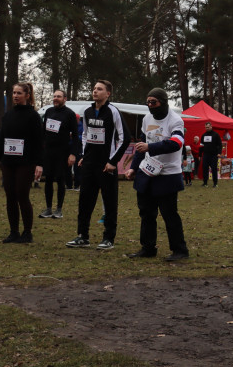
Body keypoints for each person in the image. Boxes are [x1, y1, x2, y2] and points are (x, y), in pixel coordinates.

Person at [125, 88, 189, 261]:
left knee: (169, 214)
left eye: (154, 102)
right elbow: (141, 144)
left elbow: (176, 143)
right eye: (148, 102)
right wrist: (133, 167)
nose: (150, 106)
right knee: (146, 212)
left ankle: (180, 250)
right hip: (147, 171)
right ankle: (148, 248)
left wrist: (150, 148)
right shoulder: (147, 119)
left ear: (163, 102)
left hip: (168, 173)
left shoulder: (176, 120)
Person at [66, 80, 130, 250]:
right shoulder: (87, 111)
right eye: (94, 88)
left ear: (108, 93)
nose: (95, 91)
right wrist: (84, 155)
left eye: (99, 89)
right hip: (89, 163)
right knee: (85, 200)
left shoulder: (113, 112)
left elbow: (125, 138)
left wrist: (112, 162)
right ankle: (82, 236)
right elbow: (85, 134)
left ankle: (108, 238)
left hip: (106, 165)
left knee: (109, 202)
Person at [0, 83, 43, 243]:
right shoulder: (8, 116)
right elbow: (2, 140)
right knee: (10, 196)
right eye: (14, 93)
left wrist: (39, 163)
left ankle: (27, 233)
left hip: (25, 162)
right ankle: (13, 232)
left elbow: (39, 141)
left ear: (27, 95)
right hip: (8, 161)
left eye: (19, 93)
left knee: (22, 195)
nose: (16, 95)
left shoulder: (33, 116)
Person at [39, 89, 80, 220]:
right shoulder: (49, 111)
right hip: (48, 152)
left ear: (65, 99)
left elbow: (75, 136)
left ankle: (59, 209)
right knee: (48, 180)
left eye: (59, 96)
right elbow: (43, 132)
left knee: (60, 180)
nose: (56, 98)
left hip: (63, 152)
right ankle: (48, 208)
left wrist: (73, 154)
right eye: (54, 96)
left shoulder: (70, 114)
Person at [200, 122, 221, 187]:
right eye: (206, 127)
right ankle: (205, 183)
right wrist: (200, 155)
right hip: (206, 155)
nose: (207, 128)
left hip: (214, 155)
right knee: (205, 169)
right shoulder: (203, 135)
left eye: (208, 127)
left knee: (214, 169)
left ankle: (215, 183)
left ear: (211, 126)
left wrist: (219, 153)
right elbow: (201, 145)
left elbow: (219, 144)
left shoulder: (216, 135)